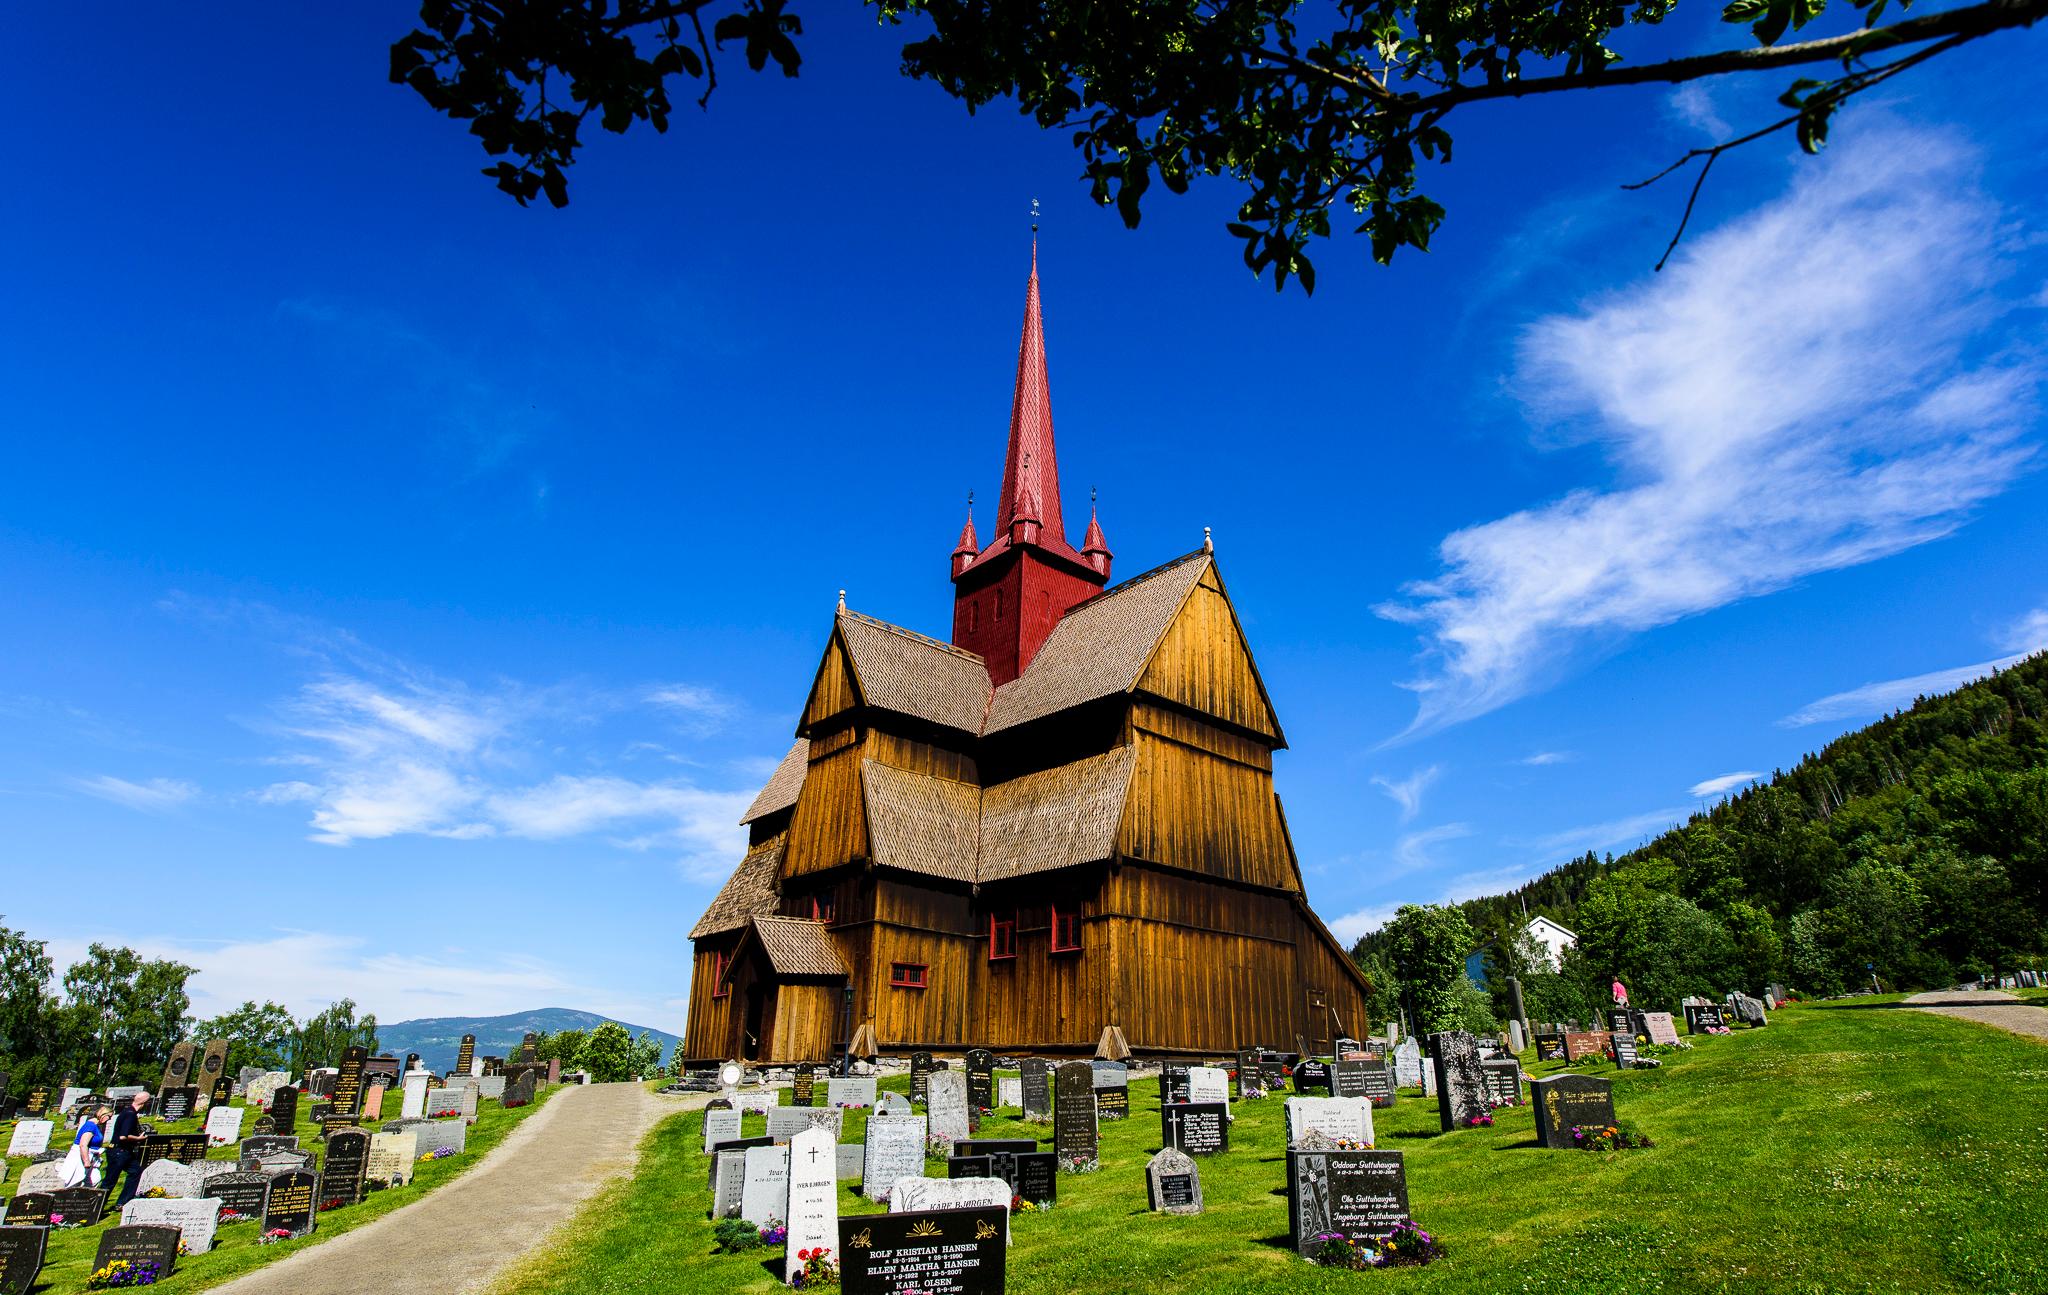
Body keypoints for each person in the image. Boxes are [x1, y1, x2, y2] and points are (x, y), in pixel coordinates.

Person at [104, 1090, 151, 1208]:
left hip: (124, 1151)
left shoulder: (127, 1111)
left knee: (136, 1171)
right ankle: (96, 1207)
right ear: (144, 1103)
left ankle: (123, 1202)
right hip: (119, 1151)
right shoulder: (130, 1114)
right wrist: (139, 1138)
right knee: (110, 1181)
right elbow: (123, 1136)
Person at [60, 1104, 111, 1189]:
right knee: (75, 1181)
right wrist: (86, 1161)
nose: (109, 1119)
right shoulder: (90, 1126)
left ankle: (83, 1201)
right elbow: (83, 1144)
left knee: (95, 1179)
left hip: (91, 1156)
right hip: (81, 1156)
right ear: (102, 1114)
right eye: (108, 1116)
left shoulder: (95, 1126)